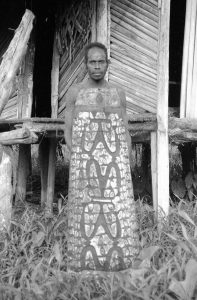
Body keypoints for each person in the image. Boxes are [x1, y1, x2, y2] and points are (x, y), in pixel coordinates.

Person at [64, 42, 139, 272]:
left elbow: (124, 130)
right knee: (84, 213)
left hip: (113, 166)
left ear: (107, 63)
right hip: (85, 166)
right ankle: (81, 265)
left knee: (116, 210)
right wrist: (77, 158)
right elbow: (68, 130)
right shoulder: (75, 92)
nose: (97, 66)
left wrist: (124, 162)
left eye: (101, 62)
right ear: (86, 64)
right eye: (92, 62)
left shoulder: (118, 93)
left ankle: (119, 263)